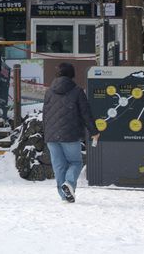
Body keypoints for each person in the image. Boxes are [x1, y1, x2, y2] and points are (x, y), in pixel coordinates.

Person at [43, 63, 100, 203]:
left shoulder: (49, 92)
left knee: (59, 166)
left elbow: (45, 114)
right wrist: (94, 131)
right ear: (72, 75)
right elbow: (85, 113)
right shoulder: (77, 91)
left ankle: (65, 196)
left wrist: (47, 133)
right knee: (75, 162)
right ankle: (68, 183)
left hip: (51, 136)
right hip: (70, 134)